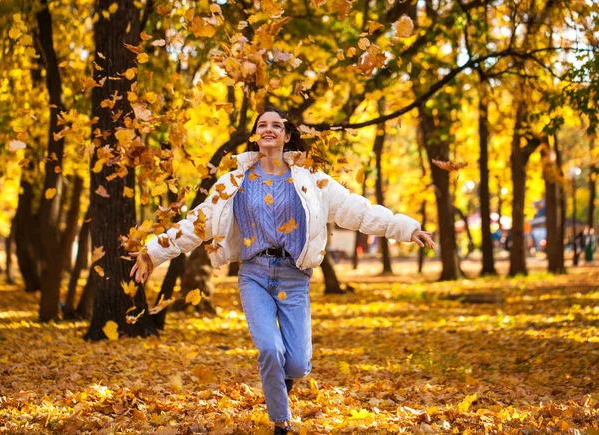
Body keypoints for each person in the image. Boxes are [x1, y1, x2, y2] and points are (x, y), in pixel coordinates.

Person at [130, 107, 435, 434]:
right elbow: (197, 223)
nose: (269, 129)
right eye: (263, 125)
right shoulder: (233, 181)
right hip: (254, 274)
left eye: (276, 125)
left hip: (294, 276)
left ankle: (281, 389)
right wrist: (152, 252)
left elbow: (354, 209)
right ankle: (281, 422)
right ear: (256, 135)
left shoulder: (311, 178)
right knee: (270, 349)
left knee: (298, 364)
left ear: (287, 136)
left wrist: (403, 228)